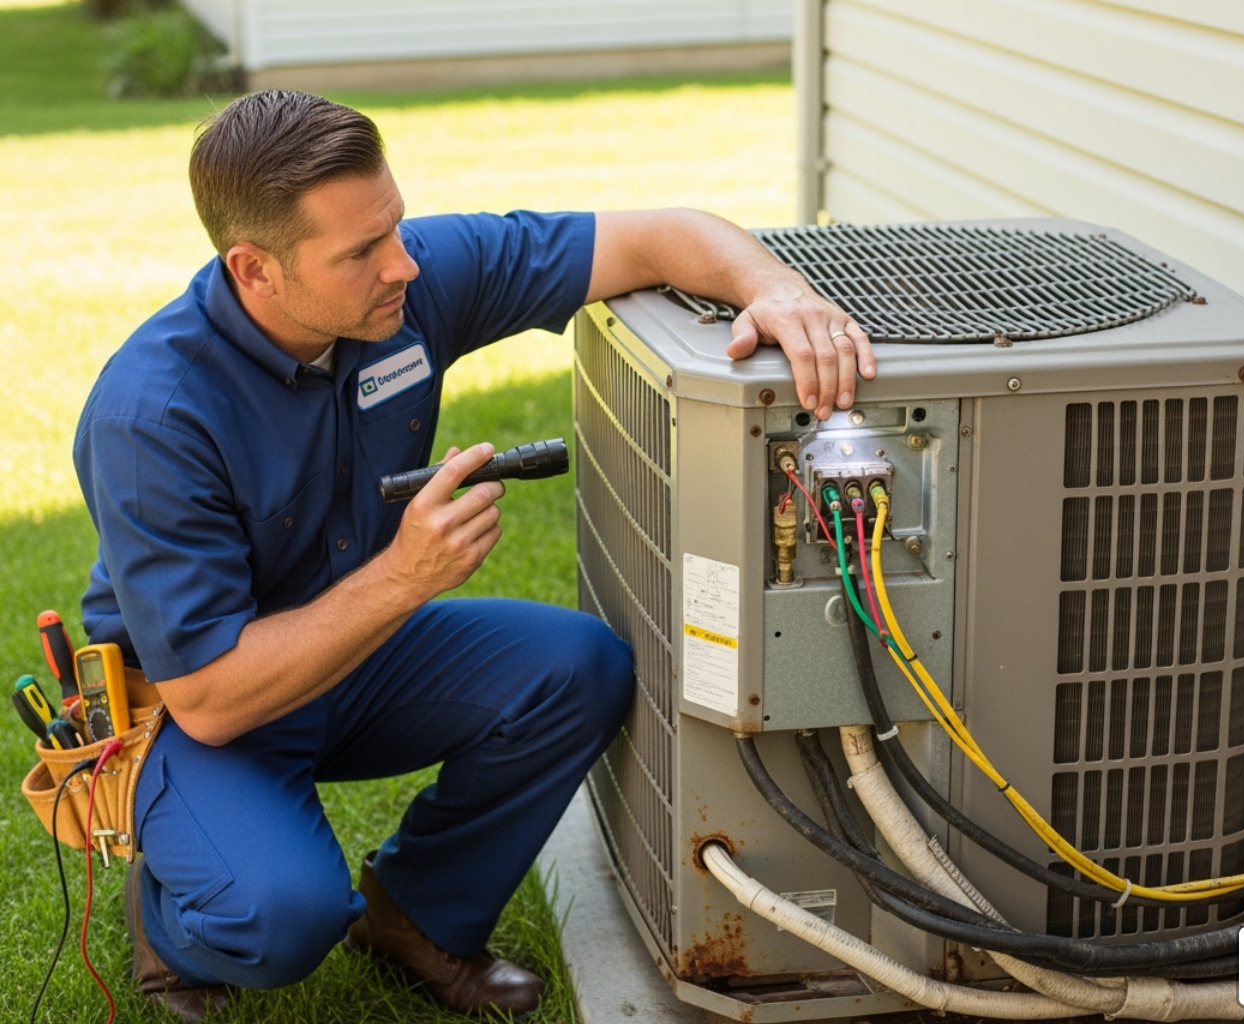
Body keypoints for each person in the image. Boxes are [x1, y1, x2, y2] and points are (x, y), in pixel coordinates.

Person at [72, 89, 876, 1021]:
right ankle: (172, 920)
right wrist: (406, 576)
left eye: (397, 226)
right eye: (361, 253)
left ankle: (417, 914)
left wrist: (782, 293)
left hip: (353, 653)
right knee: (280, 918)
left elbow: (659, 234)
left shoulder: (406, 283)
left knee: (578, 668)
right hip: (201, 701)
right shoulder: (153, 419)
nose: (402, 264)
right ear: (254, 268)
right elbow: (211, 700)